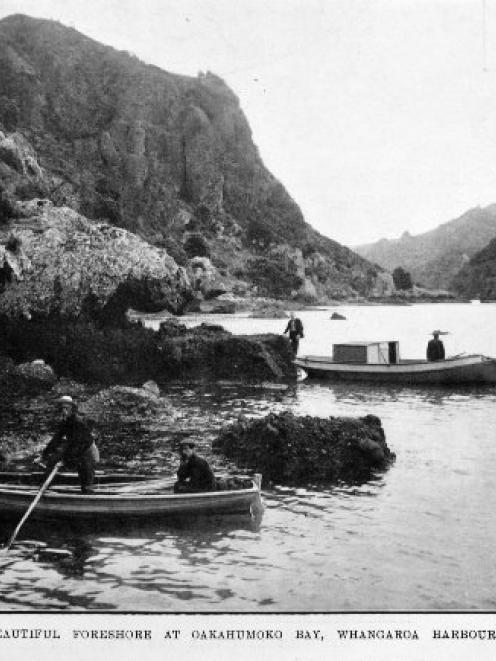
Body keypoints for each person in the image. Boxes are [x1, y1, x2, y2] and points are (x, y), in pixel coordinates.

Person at [41, 395, 99, 493]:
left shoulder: (78, 422)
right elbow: (56, 439)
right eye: (62, 408)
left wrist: (66, 459)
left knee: (86, 478)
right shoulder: (65, 422)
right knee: (54, 459)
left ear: (72, 409)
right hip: (76, 448)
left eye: (66, 408)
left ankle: (88, 497)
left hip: (87, 450)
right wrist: (44, 455)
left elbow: (79, 443)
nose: (64, 411)